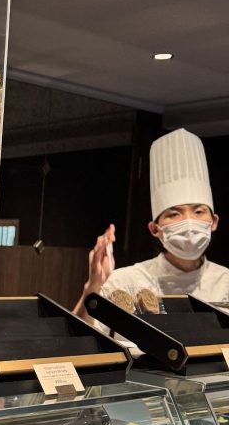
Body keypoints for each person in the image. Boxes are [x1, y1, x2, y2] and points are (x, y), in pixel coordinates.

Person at [74, 128, 229, 320]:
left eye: (198, 212)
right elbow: (81, 335)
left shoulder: (225, 282)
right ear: (155, 229)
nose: (188, 222)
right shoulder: (124, 281)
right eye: (174, 214)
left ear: (213, 222)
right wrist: (94, 285)